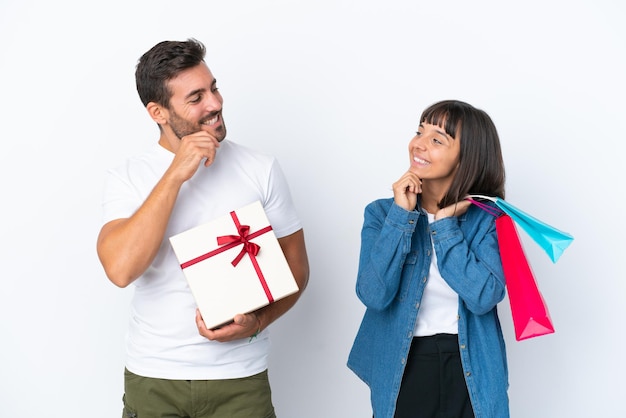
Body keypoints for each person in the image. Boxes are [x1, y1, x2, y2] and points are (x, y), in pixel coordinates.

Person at [96, 38, 309, 418]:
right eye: (196, 97)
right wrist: (176, 174)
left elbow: (296, 270)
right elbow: (120, 269)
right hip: (154, 377)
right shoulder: (127, 177)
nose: (215, 103)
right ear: (158, 112)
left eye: (213, 88)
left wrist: (257, 322)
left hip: (240, 379)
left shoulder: (261, 169)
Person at [347, 100, 510, 418]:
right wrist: (401, 216)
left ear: (468, 157)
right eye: (420, 131)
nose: (419, 144)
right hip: (404, 365)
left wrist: (446, 226)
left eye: (437, 139)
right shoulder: (382, 214)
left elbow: (485, 297)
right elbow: (373, 294)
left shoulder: (487, 219)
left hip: (471, 366)